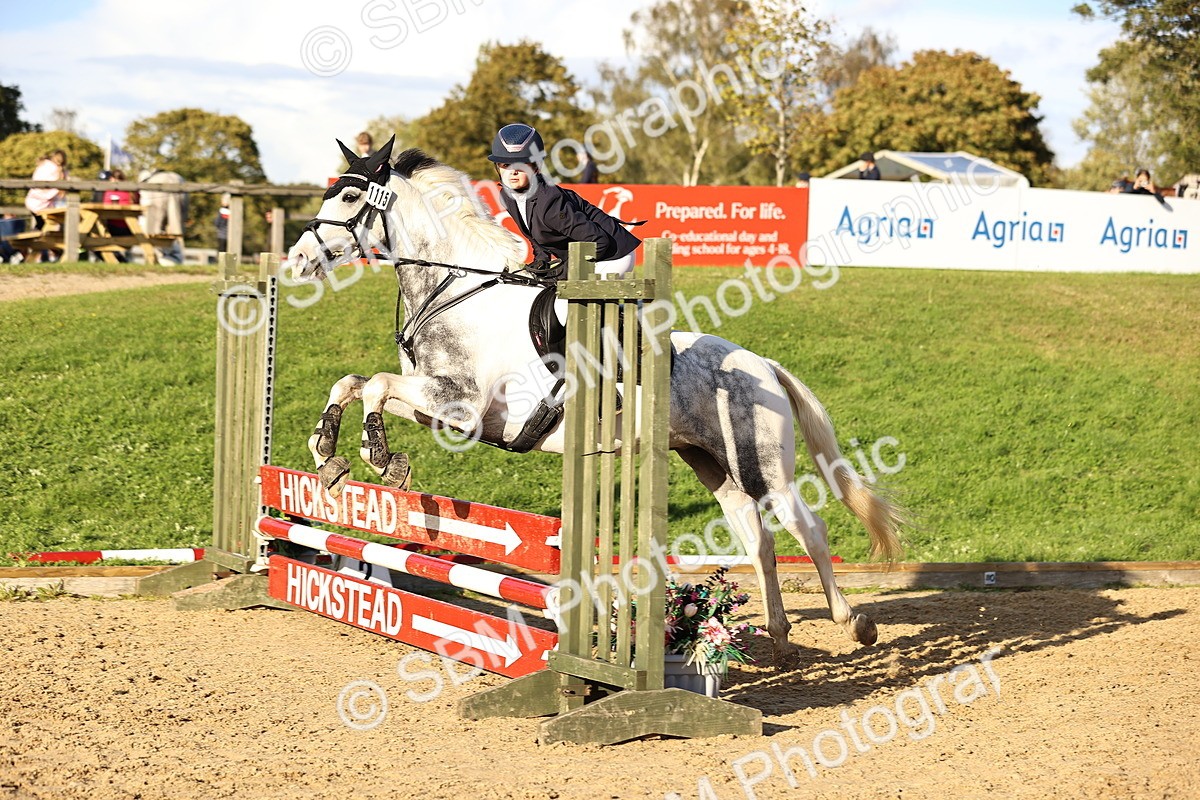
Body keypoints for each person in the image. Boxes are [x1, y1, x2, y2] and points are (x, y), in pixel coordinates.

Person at [488, 123, 641, 281]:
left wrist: (559, 273)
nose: (512, 172)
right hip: (588, 254)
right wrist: (542, 261)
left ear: (535, 167)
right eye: (505, 165)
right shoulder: (506, 197)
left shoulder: (549, 202)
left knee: (560, 294)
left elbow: (598, 242)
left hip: (613, 256)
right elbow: (534, 235)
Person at [138, 168, 187, 264]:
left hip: (157, 192)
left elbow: (145, 204)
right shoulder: (177, 177)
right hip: (179, 183)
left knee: (153, 229)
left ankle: (152, 259)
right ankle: (178, 257)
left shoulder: (150, 181)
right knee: (177, 226)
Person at [25, 150, 69, 228]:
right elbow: (60, 191)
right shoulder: (51, 168)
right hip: (41, 202)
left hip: (37, 201)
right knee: (44, 224)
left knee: (42, 224)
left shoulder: (45, 165)